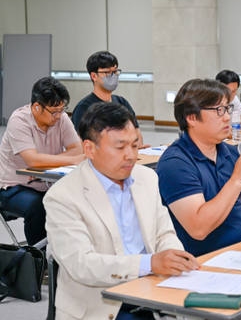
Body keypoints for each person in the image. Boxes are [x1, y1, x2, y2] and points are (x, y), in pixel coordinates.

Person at [44, 103, 199, 320]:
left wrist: (174, 258)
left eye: (135, 146)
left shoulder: (147, 178)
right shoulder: (63, 195)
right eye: (119, 147)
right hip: (101, 306)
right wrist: (149, 263)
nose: (131, 156)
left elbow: (164, 234)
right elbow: (82, 264)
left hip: (152, 293)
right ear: (89, 148)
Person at [156, 79, 241, 257]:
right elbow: (199, 228)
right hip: (208, 263)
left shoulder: (231, 153)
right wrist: (237, 180)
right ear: (191, 118)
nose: (227, 117)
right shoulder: (175, 163)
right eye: (218, 110)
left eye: (227, 108)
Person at [0, 77, 85, 245]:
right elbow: (32, 160)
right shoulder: (19, 121)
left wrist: (42, 165)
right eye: (54, 111)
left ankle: (67, 256)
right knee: (37, 206)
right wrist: (71, 160)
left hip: (45, 183)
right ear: (37, 107)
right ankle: (39, 262)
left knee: (78, 201)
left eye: (62, 109)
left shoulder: (61, 118)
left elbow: (77, 149)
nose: (59, 115)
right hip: (13, 187)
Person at [72, 51, 150, 148]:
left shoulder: (122, 103)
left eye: (115, 71)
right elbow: (86, 143)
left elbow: (137, 135)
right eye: (107, 72)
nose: (113, 76)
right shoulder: (84, 107)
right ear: (94, 76)